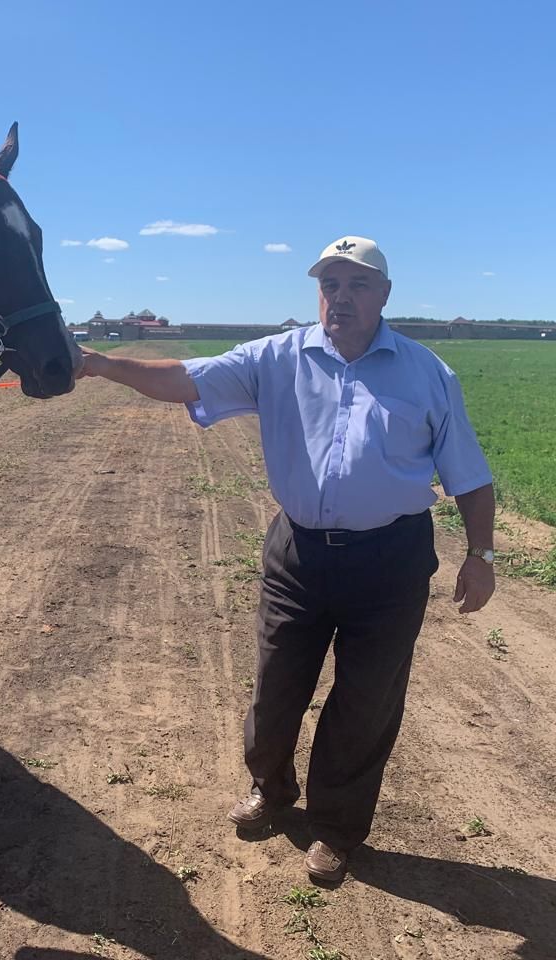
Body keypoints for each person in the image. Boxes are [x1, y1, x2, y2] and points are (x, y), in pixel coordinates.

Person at [78, 236, 496, 884]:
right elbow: (185, 378)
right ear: (318, 293)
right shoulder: (278, 359)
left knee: (364, 706)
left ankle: (334, 830)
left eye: (357, 285)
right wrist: (101, 363)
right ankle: (271, 789)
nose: (341, 297)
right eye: (331, 284)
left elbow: (469, 475)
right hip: (298, 554)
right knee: (275, 694)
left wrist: (481, 553)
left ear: (384, 295)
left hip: (389, 564)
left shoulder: (427, 374)